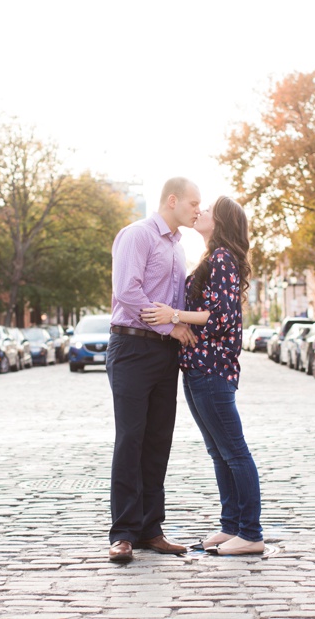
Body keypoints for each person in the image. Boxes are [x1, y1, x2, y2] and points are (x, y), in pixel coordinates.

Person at [141, 195, 264, 556]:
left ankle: (251, 533)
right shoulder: (214, 258)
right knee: (219, 451)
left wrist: (173, 314)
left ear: (222, 222)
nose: (201, 211)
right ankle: (232, 527)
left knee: (234, 451)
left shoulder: (223, 258)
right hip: (197, 366)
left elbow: (221, 317)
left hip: (212, 368)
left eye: (208, 209)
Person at [105, 176, 201, 563]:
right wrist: (171, 326)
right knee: (131, 438)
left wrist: (178, 328)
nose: (198, 209)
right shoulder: (137, 235)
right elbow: (128, 293)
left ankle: (150, 530)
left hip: (165, 354)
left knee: (158, 440)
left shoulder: (178, 248)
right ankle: (123, 533)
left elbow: (173, 301)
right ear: (172, 200)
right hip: (131, 347)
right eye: (194, 203)